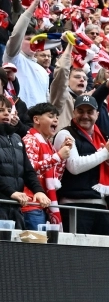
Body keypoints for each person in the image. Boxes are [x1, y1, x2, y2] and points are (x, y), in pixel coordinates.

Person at [52, 95, 109, 234]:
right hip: (73, 206)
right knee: (75, 254)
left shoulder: (103, 137)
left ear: (97, 114)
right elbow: (74, 166)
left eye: (89, 112)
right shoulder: (65, 133)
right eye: (80, 111)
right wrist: (105, 153)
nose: (85, 116)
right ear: (74, 113)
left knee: (102, 254)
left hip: (101, 206)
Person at [0, 97, 49, 227]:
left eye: (9, 110)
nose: (6, 113)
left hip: (15, 206)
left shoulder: (17, 138)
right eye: (1, 110)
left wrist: (39, 191)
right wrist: (11, 192)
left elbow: (28, 171)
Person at [21, 102, 71, 228]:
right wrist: (58, 156)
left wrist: (63, 155)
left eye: (57, 118)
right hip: (30, 204)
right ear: (36, 119)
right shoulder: (29, 140)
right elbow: (31, 170)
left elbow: (56, 178)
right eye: (51, 116)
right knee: (34, 246)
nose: (55, 120)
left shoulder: (49, 145)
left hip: (44, 204)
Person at [4, 0, 50, 109]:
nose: (33, 42)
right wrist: (33, 6)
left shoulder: (43, 71)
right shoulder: (14, 58)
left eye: (35, 39)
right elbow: (17, 34)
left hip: (39, 122)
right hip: (18, 119)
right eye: (28, 39)